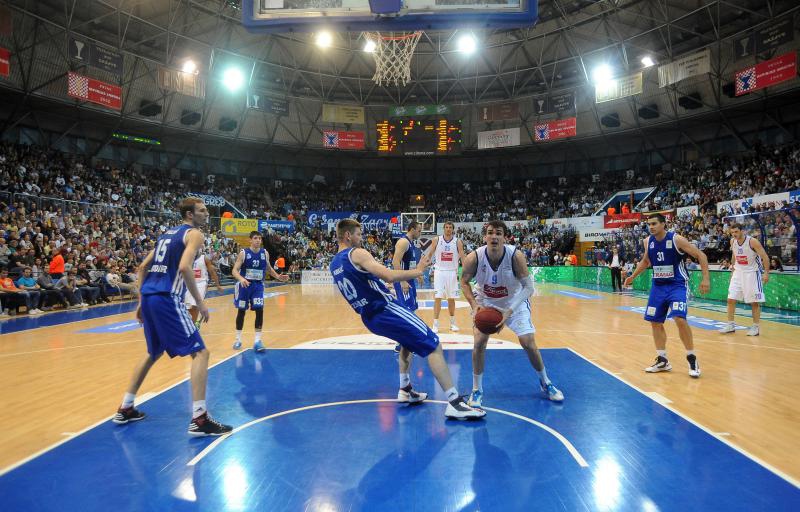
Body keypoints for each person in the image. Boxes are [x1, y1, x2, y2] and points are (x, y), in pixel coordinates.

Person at [331, 219, 484, 420]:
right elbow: (388, 275)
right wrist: (418, 271)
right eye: (359, 234)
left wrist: (376, 287)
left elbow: (361, 284)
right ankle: (455, 402)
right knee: (433, 344)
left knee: (405, 342)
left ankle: (405, 389)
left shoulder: (334, 263)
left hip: (369, 317)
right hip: (386, 309)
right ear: (348, 235)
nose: (361, 239)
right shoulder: (357, 253)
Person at [113, 197, 232, 436]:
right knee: (201, 352)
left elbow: (143, 267)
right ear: (190, 215)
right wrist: (200, 302)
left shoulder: (166, 234)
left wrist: (141, 301)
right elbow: (185, 268)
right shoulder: (194, 234)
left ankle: (125, 407)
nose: (206, 214)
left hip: (150, 297)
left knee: (153, 352)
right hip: (167, 297)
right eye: (202, 210)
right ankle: (199, 419)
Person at [460, 221, 564, 407]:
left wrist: (509, 312)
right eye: (490, 233)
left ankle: (545, 382)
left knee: (528, 343)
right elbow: (464, 282)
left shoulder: (515, 256)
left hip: (514, 301)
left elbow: (529, 288)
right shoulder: (474, 257)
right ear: (485, 237)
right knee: (478, 342)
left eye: (498, 233)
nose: (494, 236)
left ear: (504, 237)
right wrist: (474, 305)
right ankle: (477, 390)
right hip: (485, 300)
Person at [624, 213, 710, 378]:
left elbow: (701, 255)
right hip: (658, 286)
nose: (651, 227)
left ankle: (692, 358)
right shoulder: (648, 241)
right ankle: (662, 360)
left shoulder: (677, 240)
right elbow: (646, 261)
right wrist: (632, 276)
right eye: (649, 224)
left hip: (677, 285)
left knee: (679, 319)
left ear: (664, 224)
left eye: (654, 223)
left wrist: (706, 278)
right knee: (655, 322)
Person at [232, 231, 289, 352]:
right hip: (244, 286)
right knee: (241, 311)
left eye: (259, 238)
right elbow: (234, 270)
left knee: (259, 310)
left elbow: (268, 268)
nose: (258, 240)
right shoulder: (243, 253)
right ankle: (238, 339)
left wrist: (278, 277)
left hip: (257, 286)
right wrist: (241, 279)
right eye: (255, 238)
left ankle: (257, 341)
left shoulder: (265, 253)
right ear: (250, 240)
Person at [719, 223, 770, 336]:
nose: (734, 234)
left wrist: (766, 273)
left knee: (754, 302)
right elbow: (734, 255)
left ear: (743, 231)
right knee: (730, 299)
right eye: (732, 232)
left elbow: (765, 257)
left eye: (736, 232)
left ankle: (756, 327)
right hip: (738, 272)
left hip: (752, 273)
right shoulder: (732, 241)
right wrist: (732, 270)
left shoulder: (752, 242)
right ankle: (730, 324)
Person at [426, 221, 465, 333]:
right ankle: (435, 324)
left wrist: (466, 270)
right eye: (446, 227)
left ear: (453, 229)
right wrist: (424, 264)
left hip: (452, 272)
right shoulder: (437, 240)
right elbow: (430, 254)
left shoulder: (458, 242)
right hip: (439, 271)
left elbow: (462, 256)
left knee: (451, 298)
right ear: (443, 229)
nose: (448, 229)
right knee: (438, 298)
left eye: (450, 227)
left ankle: (452, 323)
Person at [391, 221, 423, 352]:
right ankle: (402, 344)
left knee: (411, 309)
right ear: (413, 229)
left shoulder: (410, 243)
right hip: (403, 281)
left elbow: (409, 263)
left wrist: (417, 274)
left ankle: (403, 342)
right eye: (419, 230)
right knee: (406, 311)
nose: (420, 233)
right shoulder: (403, 242)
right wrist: (403, 281)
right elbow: (395, 261)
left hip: (409, 279)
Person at [185, 252, 223, 323]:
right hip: (189, 283)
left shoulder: (204, 258)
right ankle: (196, 320)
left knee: (195, 304)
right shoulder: (186, 257)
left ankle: (194, 325)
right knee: (188, 307)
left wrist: (218, 285)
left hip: (201, 283)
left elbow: (212, 272)